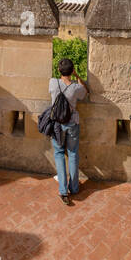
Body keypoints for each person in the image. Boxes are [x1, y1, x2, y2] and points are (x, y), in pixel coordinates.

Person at [49, 58, 88, 206]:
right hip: (72, 124)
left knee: (59, 153)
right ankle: (74, 187)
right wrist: (78, 77)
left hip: (57, 125)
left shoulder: (53, 83)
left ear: (59, 70)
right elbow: (85, 92)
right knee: (72, 154)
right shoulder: (75, 88)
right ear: (72, 71)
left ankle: (63, 190)